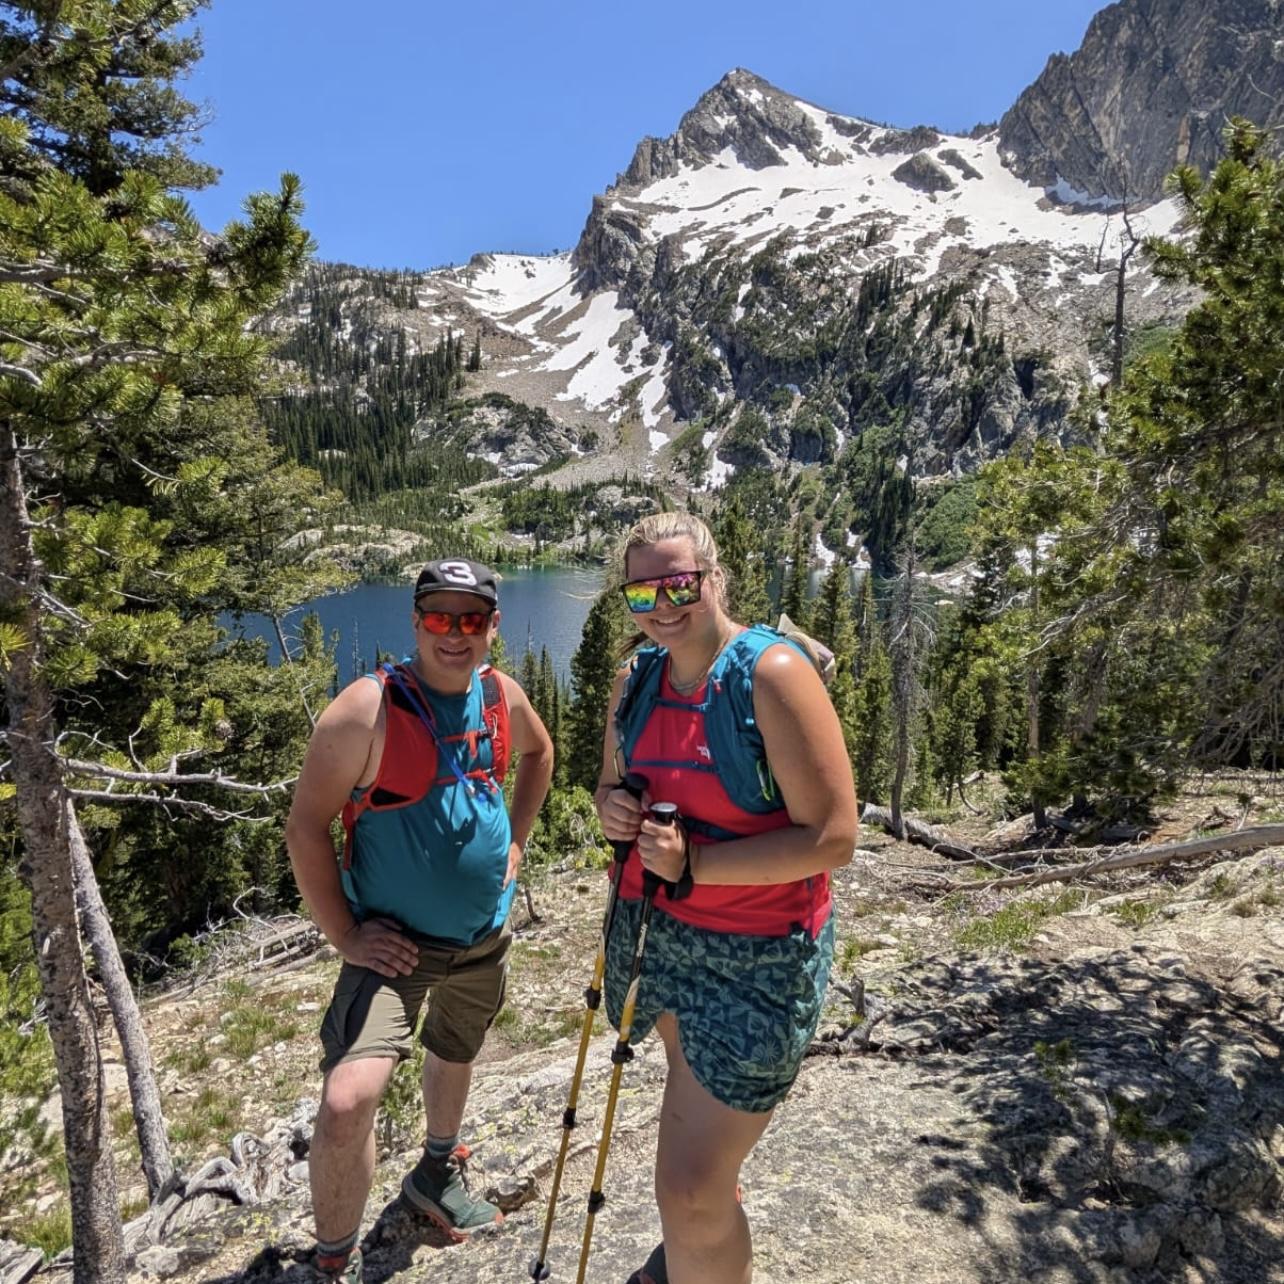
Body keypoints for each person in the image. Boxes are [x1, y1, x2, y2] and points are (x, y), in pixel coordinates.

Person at [594, 513, 858, 1284]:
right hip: (657, 941)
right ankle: (695, 1249)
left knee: (687, 1189)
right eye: (641, 593)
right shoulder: (635, 681)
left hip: (759, 959)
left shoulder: (770, 675)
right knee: (696, 1142)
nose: (662, 605)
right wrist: (612, 809)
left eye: (680, 585)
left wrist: (694, 864)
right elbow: (611, 786)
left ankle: (699, 1240)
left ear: (714, 579)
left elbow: (833, 836)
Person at [286, 558, 554, 1284]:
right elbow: (305, 826)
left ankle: (437, 1171)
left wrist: (516, 843)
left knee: (456, 1047)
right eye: (439, 616)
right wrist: (345, 935)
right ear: (415, 621)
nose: (454, 633)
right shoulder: (366, 710)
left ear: (492, 626)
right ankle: (335, 1259)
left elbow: (541, 755)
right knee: (348, 1099)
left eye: (472, 618)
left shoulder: (499, 695)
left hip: (482, 936)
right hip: (394, 947)